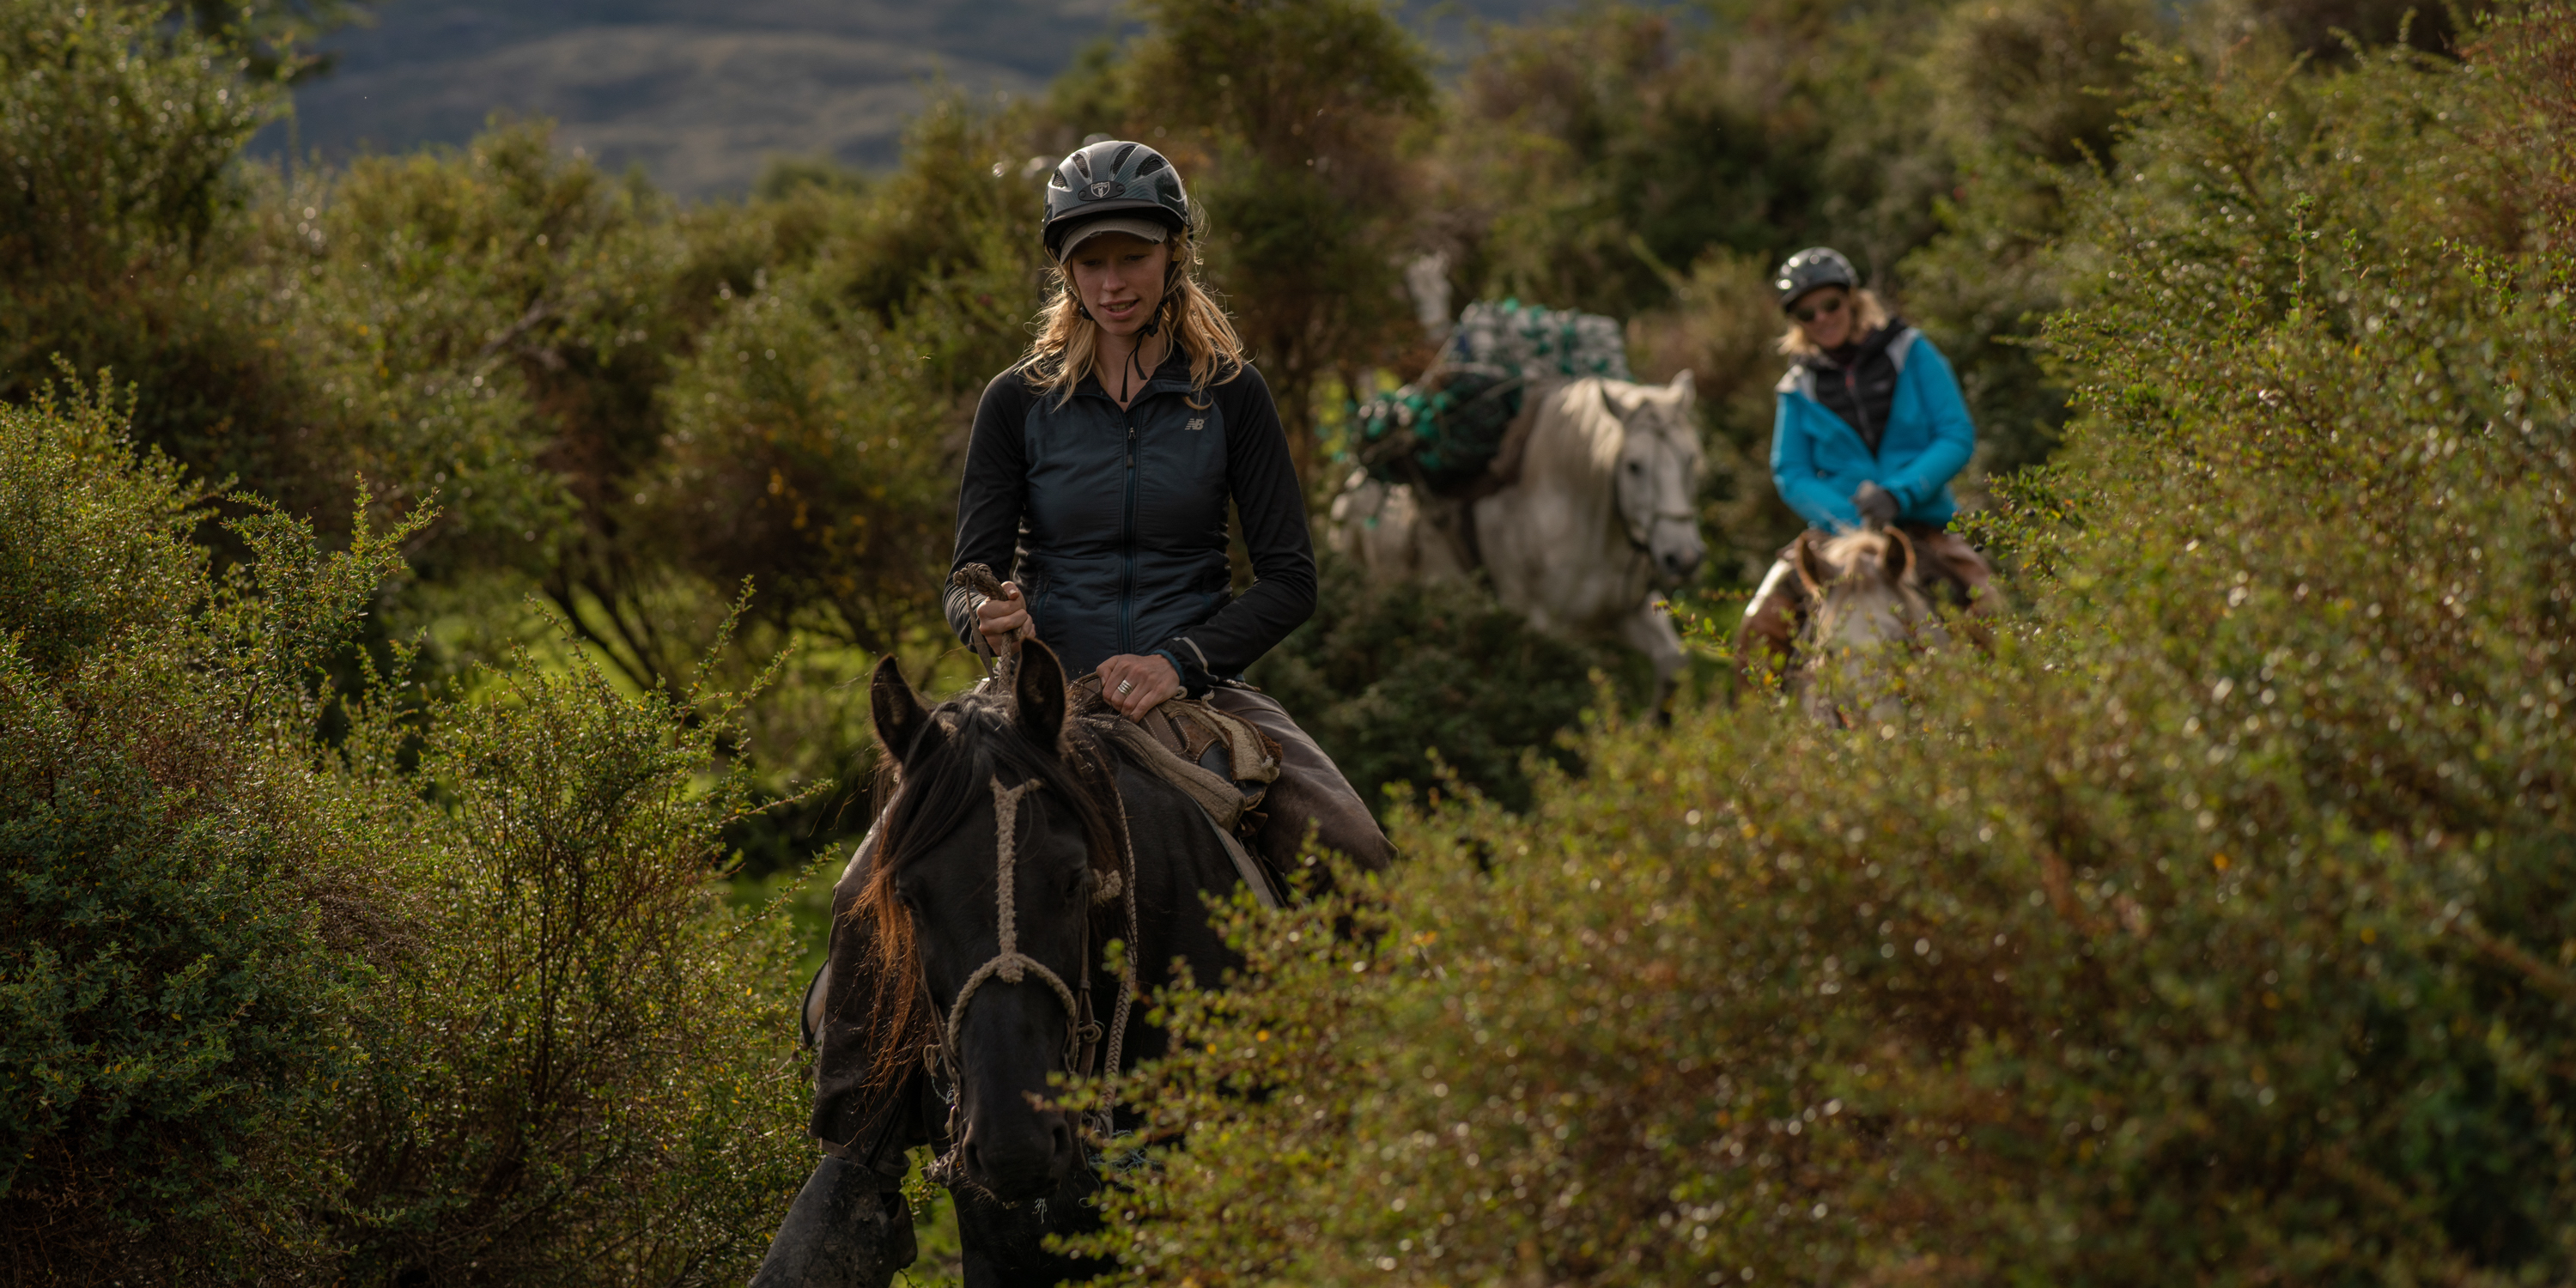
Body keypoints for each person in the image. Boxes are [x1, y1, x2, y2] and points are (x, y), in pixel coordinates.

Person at [752, 139, 1391, 1288]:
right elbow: (967, 574)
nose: (1112, 280)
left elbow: (1290, 578)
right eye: (1090, 261)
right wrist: (985, 614)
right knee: (863, 896)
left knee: (1355, 850)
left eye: (1132, 256)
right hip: (1036, 699)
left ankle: (1364, 1117)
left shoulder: (1232, 396)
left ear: (1173, 256)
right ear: (1065, 271)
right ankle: (863, 1168)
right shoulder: (1018, 401)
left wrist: (1182, 662)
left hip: (1186, 690)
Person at [1735, 246, 1997, 677]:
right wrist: (1848, 516)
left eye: (1831, 304)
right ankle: (1762, 722)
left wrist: (1899, 494)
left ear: (1852, 299)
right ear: (1796, 323)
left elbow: (1954, 434)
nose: (1822, 318)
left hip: (1922, 524)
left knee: (1988, 609)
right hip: (1837, 536)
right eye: (1807, 314)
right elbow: (1791, 472)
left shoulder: (1912, 350)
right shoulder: (1796, 388)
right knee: (1759, 627)